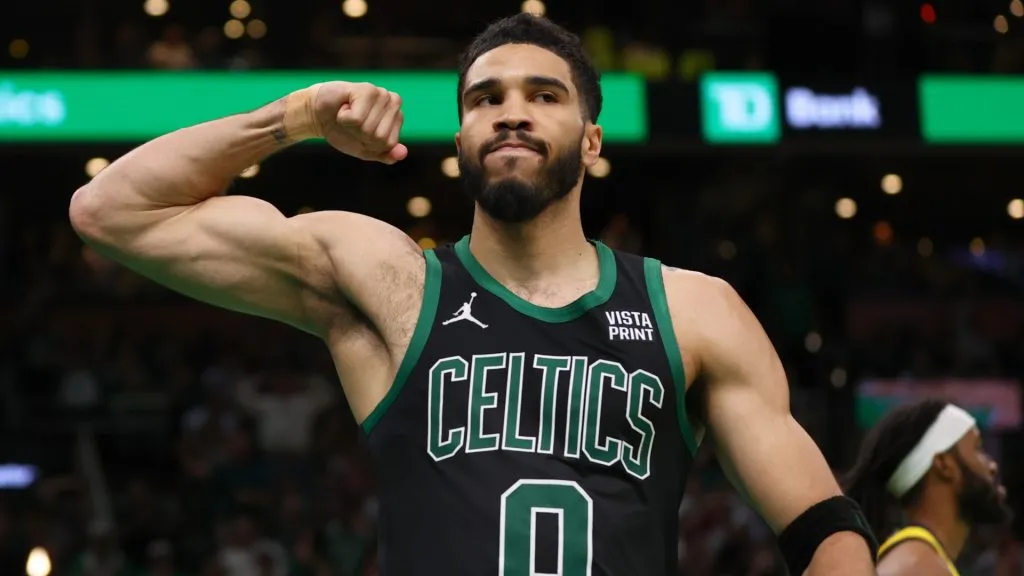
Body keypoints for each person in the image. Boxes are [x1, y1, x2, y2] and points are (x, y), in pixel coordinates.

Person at [69, 13, 877, 576]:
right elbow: (112, 212)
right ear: (460, 139)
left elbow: (826, 532)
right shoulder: (391, 286)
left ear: (591, 140)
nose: (511, 115)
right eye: (485, 99)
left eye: (544, 96)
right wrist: (296, 116)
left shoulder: (694, 310)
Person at [843, 399, 1011, 576]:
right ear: (944, 465)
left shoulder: (921, 560)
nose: (992, 466)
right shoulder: (917, 566)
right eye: (977, 448)